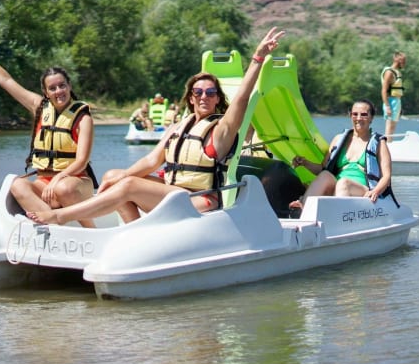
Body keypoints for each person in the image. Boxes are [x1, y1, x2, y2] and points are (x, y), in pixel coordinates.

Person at [28, 27, 285, 225]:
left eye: (210, 92)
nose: (204, 97)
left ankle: (61, 216)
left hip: (200, 200)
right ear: (191, 97)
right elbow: (151, 161)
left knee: (128, 186)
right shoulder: (179, 127)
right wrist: (117, 179)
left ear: (218, 98)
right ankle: (135, 231)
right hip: (174, 193)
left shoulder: (221, 129)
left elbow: (241, 99)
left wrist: (257, 58)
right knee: (113, 177)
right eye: (198, 92)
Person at [0, 24, 96, 227]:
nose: (59, 91)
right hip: (45, 183)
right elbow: (5, 80)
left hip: (76, 182)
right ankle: (53, 228)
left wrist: (58, 179)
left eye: (62, 85)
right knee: (16, 185)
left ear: (69, 86)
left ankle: (91, 231)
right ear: (45, 92)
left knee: (63, 189)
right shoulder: (39, 108)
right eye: (52, 88)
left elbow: (81, 161)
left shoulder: (83, 118)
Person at [289, 99, 395, 213]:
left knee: (344, 183)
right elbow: (322, 169)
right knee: (325, 175)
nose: (359, 118)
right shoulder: (338, 139)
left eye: (364, 114)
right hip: (337, 189)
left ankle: (338, 215)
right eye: (355, 114)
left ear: (371, 118)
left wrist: (375, 191)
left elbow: (386, 176)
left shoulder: (379, 143)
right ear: (350, 116)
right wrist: (305, 163)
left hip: (362, 190)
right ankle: (303, 208)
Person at [381, 51, 406, 141]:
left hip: (396, 101)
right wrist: (387, 106)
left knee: (393, 127)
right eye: (403, 60)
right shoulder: (389, 72)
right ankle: (387, 145)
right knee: (389, 127)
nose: (404, 63)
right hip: (390, 101)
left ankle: (390, 143)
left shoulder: (397, 72)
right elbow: (384, 90)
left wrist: (399, 107)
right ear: (397, 60)